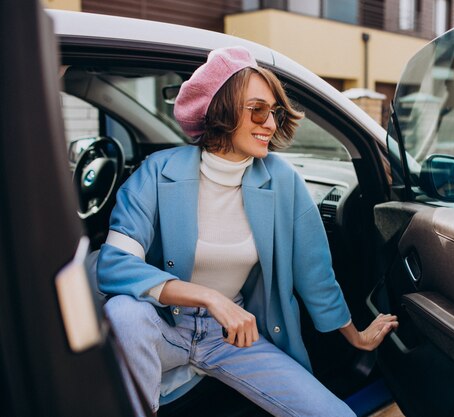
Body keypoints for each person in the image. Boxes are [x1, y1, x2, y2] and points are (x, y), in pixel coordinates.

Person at [97, 46, 398, 416]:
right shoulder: (158, 172)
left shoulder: (284, 181)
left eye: (275, 112)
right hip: (163, 327)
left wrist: (357, 336)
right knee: (124, 313)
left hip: (235, 338)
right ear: (219, 110)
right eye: (256, 110)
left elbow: (314, 273)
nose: (270, 124)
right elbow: (113, 264)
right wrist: (210, 297)